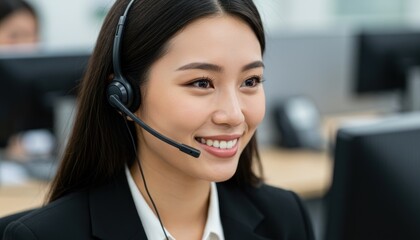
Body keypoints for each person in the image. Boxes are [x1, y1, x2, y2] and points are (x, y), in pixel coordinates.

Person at [2, 0, 316, 239]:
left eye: (250, 81)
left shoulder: (284, 218)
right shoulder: (42, 236)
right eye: (201, 83)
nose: (234, 115)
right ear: (124, 96)